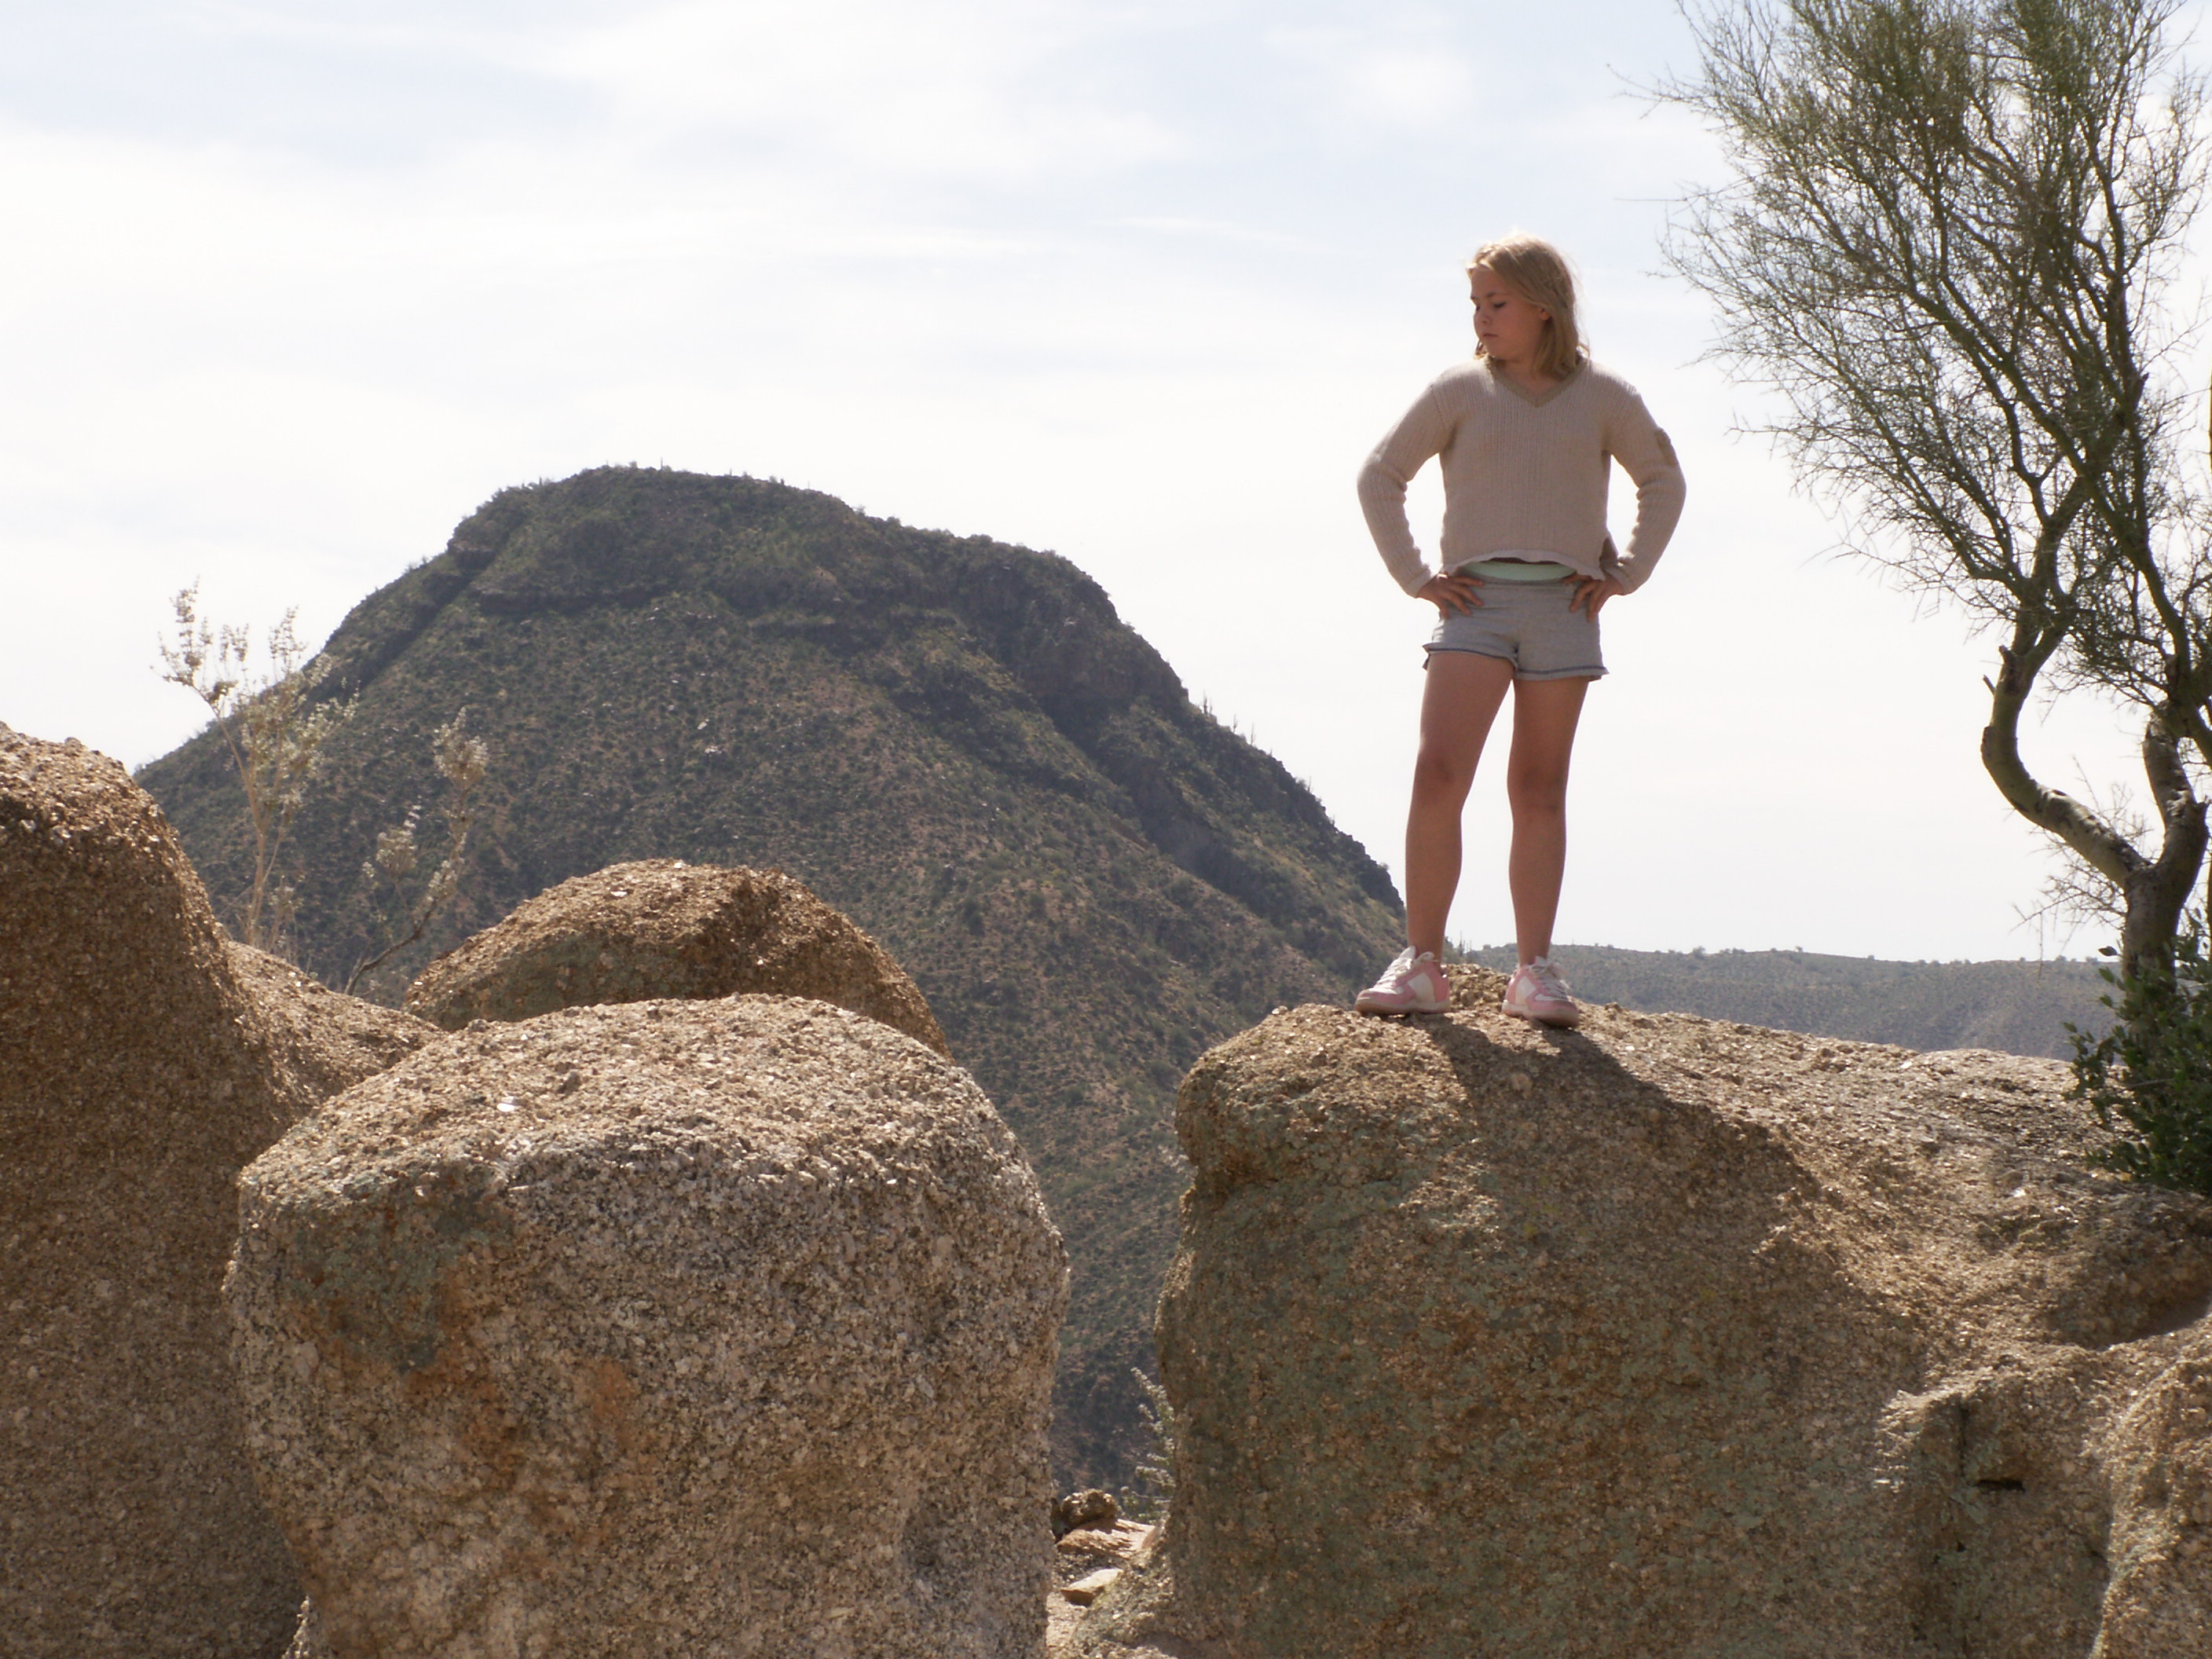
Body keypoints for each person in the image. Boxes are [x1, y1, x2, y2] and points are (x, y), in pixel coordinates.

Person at [1351, 233, 1685, 1026]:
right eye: (1474, 303)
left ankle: (1532, 973)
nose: (1480, 317)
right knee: (1438, 775)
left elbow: (1662, 479)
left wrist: (1625, 573)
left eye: (1494, 302)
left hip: (1563, 616)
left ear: (1542, 306)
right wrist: (1415, 577)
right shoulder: (1458, 391)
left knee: (1538, 791)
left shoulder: (1605, 396)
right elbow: (1379, 475)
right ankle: (1420, 964)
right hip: (1475, 608)